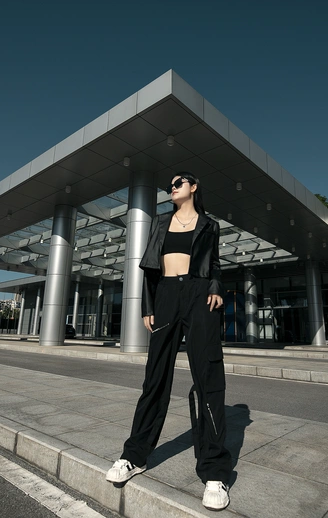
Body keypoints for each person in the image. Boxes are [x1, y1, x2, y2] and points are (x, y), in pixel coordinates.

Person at [105, 172, 233, 511]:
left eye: (178, 184)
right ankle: (135, 456)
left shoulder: (209, 225)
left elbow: (215, 264)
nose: (172, 188)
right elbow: (149, 267)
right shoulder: (161, 222)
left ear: (194, 187)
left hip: (200, 294)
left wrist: (216, 288)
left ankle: (215, 472)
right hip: (165, 296)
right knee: (155, 378)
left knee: (208, 377)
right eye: (169, 186)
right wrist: (148, 306)